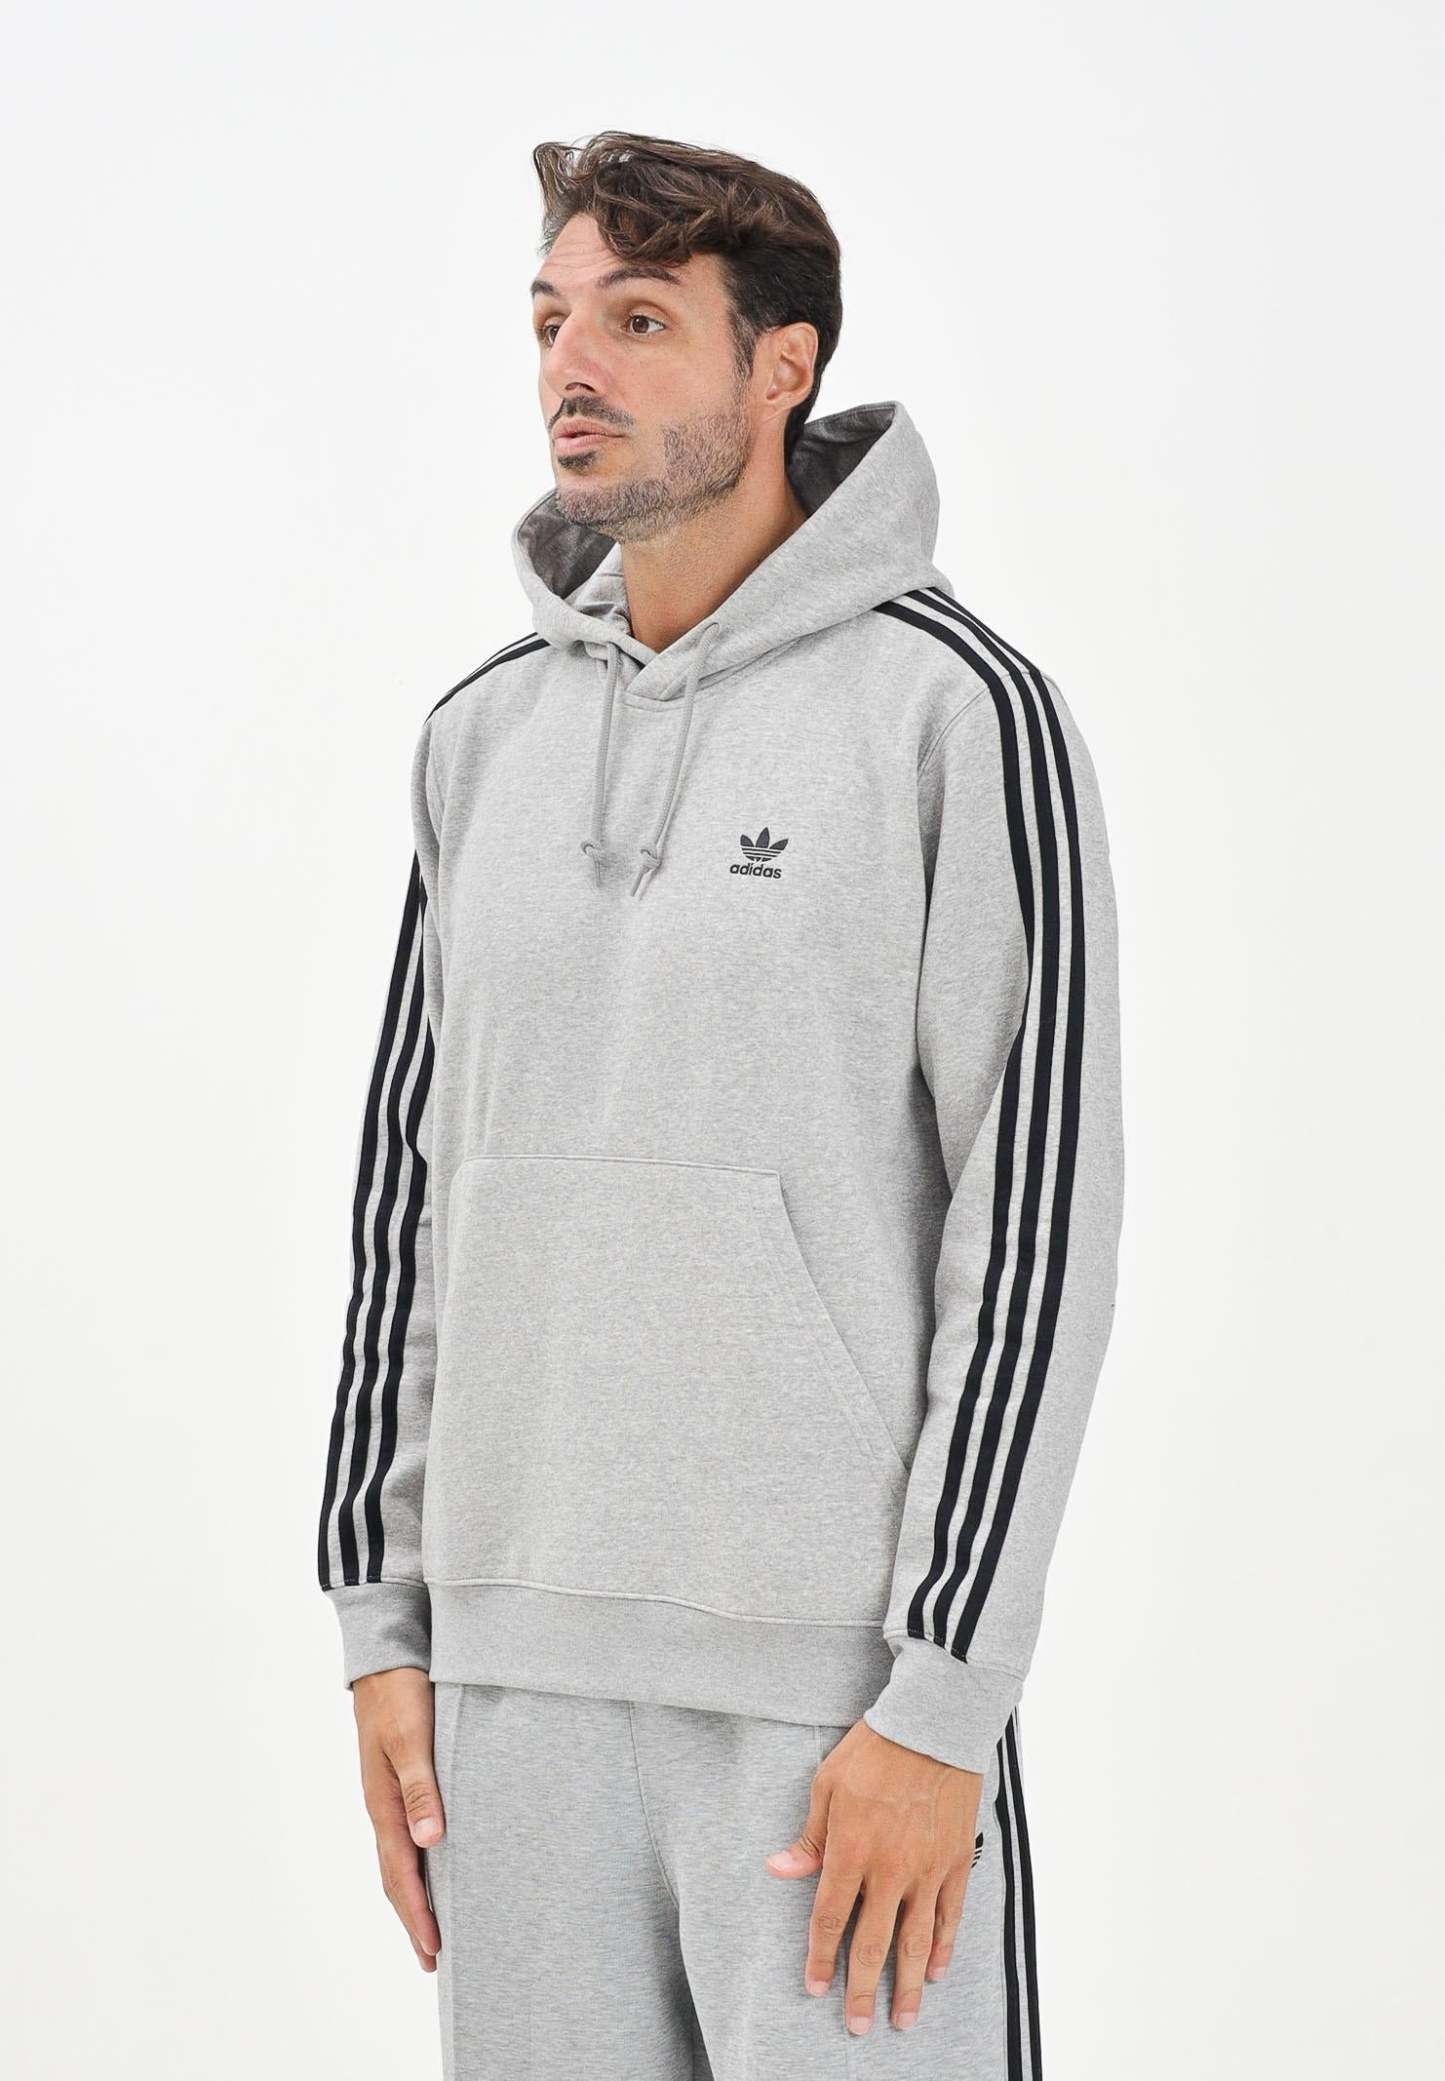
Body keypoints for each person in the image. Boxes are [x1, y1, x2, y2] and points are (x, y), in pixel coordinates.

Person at [315, 128, 1124, 2080]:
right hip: (507, 1689)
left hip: (830, 1710)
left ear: (783, 367)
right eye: (549, 320)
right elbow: (406, 1205)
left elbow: (1034, 1225)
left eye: (639, 320)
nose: (570, 368)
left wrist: (940, 1700)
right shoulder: (481, 739)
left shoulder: (955, 717)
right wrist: (382, 1623)